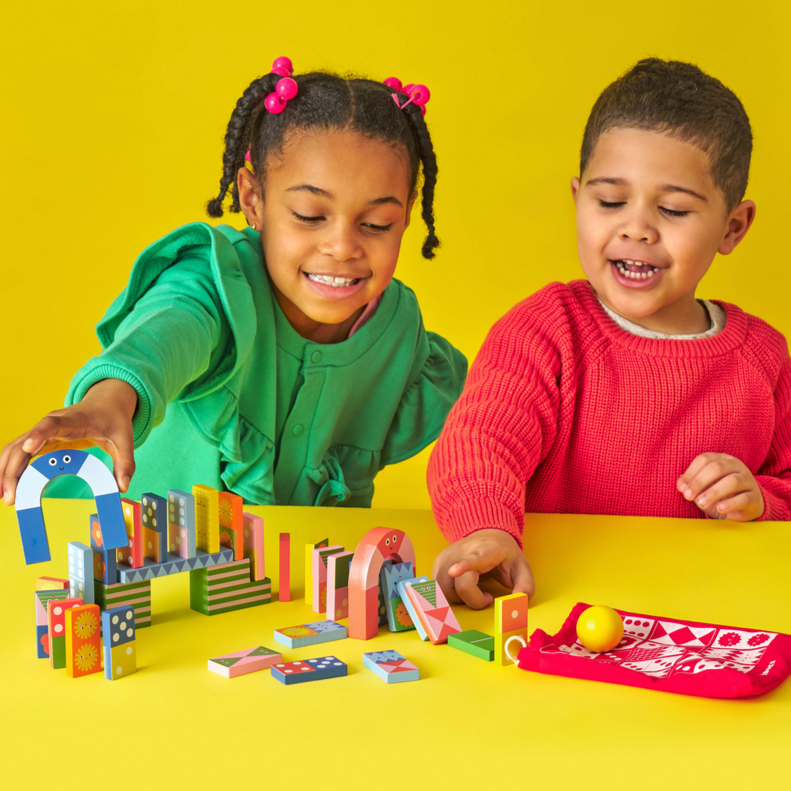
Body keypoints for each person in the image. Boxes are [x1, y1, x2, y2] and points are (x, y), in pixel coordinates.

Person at [0, 59, 466, 509]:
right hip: (105, 552)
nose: (342, 247)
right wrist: (110, 400)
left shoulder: (400, 334)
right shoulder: (215, 280)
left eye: (378, 224)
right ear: (252, 198)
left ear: (407, 214)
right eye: (309, 216)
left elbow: (487, 409)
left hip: (288, 567)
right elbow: (171, 328)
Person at [428, 58, 791, 609]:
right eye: (610, 202)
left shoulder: (764, 357)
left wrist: (760, 501)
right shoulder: (545, 331)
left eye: (673, 209)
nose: (637, 228)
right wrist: (485, 531)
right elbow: (481, 441)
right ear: (578, 199)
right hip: (561, 607)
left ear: (732, 227)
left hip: (705, 616)